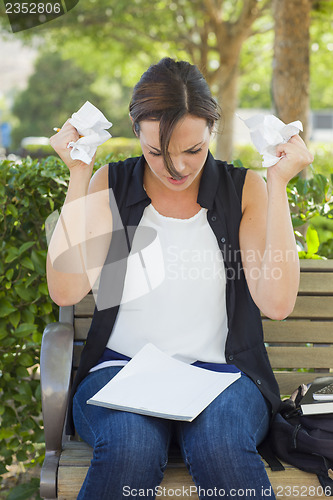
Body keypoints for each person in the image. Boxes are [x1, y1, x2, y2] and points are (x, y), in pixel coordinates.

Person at [48, 57, 314, 500]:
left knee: (222, 443)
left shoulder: (243, 189)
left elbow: (277, 303)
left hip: (224, 377)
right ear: (137, 134)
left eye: (192, 150)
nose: (176, 169)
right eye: (157, 152)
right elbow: (66, 288)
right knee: (129, 446)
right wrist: (79, 170)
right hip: (121, 370)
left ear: (212, 129)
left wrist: (279, 183)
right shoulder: (109, 184)